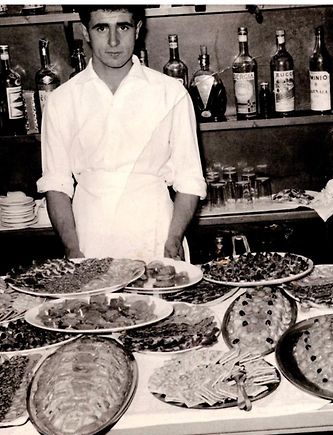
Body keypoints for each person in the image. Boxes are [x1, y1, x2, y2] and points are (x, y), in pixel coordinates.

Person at [37, 5, 206, 262]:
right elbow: (56, 184)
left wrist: (173, 240)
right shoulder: (61, 100)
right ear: (85, 31)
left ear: (137, 29)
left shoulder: (170, 93)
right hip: (89, 239)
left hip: (156, 237)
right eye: (102, 27)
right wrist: (73, 249)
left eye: (123, 27)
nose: (113, 41)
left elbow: (189, 179)